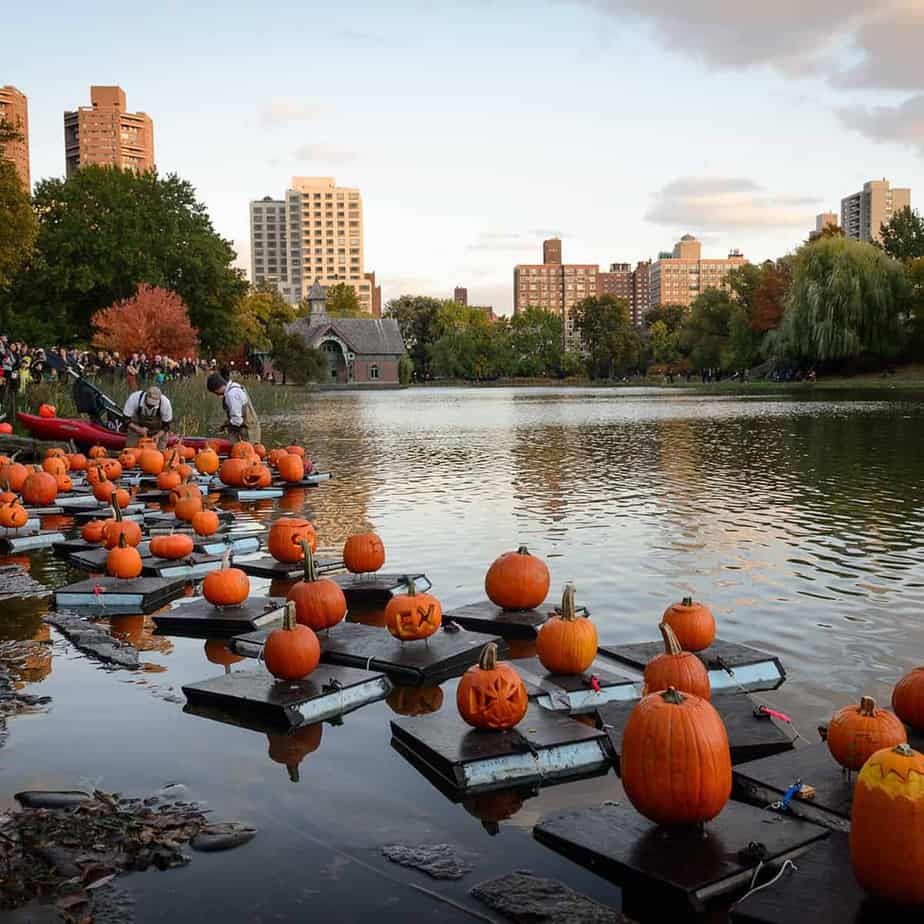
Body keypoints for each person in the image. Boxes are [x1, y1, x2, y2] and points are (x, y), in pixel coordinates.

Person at [206, 373, 260, 445]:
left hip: (248, 432)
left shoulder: (232, 395)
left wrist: (224, 425)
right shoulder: (235, 386)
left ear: (217, 388)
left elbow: (237, 420)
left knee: (247, 453)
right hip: (248, 428)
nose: (217, 395)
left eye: (215, 392)